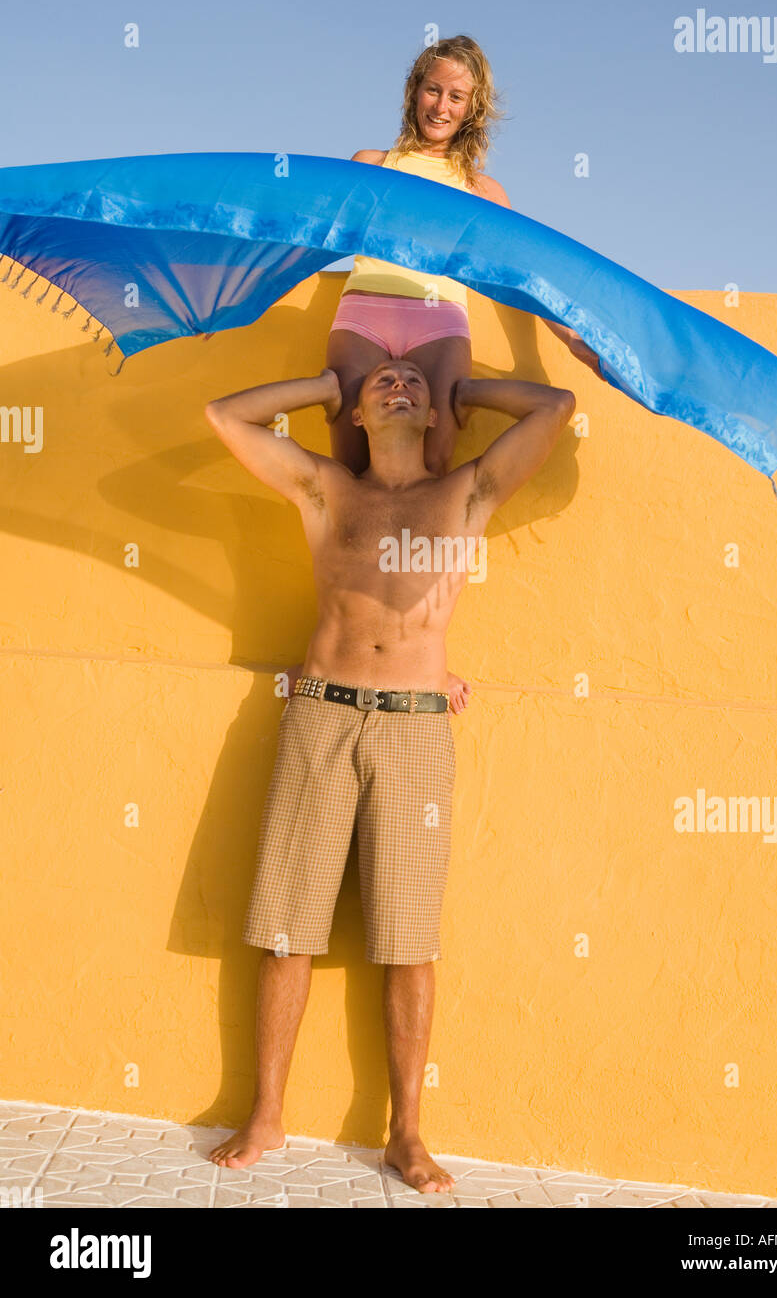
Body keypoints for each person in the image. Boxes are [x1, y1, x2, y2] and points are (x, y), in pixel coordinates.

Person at [203, 356, 575, 1192]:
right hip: (322, 712)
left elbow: (556, 405)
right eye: (382, 383)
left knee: (410, 940)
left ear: (434, 411)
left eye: (413, 379)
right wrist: (324, 386)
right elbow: (226, 414)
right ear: (361, 417)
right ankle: (267, 1111)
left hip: (415, 727)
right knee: (287, 926)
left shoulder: (467, 492)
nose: (398, 384)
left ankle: (406, 1132)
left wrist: (465, 390)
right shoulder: (328, 487)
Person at [277, 33, 602, 715]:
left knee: (434, 492)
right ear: (413, 90)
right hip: (363, 315)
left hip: (438, 323)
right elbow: (310, 232)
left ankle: (429, 656)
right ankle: (335, 643)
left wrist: (571, 337)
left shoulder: (483, 189)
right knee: (351, 487)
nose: (441, 104)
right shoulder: (373, 162)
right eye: (432, 89)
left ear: (473, 107)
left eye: (457, 96)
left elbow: (521, 276)